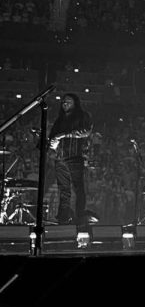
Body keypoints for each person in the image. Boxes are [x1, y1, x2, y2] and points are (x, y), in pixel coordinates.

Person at [47, 93, 93, 227]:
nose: (65, 104)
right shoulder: (60, 119)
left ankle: (80, 217)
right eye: (63, 102)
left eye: (68, 102)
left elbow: (86, 131)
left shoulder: (82, 115)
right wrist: (53, 144)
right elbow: (53, 138)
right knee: (64, 190)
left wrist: (63, 135)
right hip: (60, 158)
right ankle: (63, 218)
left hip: (75, 157)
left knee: (78, 188)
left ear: (75, 103)